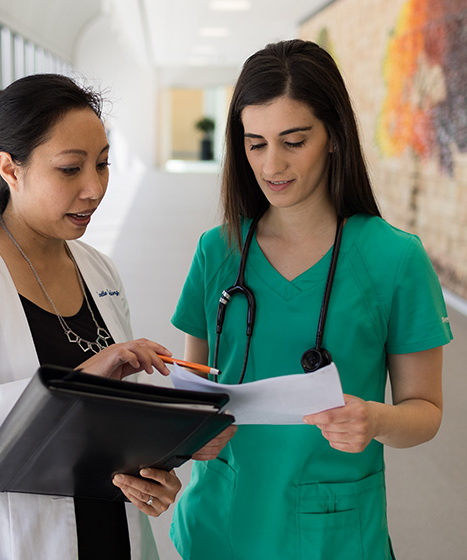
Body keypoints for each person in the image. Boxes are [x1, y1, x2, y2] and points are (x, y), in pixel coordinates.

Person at [169, 39, 453, 559]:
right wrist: (188, 430)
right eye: (255, 143)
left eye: (293, 141)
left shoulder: (393, 258)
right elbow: (195, 386)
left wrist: (376, 419)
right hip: (222, 520)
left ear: (334, 137)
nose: (271, 164)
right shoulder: (218, 251)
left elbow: (426, 412)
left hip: (331, 534)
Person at [0, 73, 182, 560]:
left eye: (103, 165)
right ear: (10, 169)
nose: (94, 189)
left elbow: (110, 424)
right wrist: (63, 387)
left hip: (113, 536)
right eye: (70, 169)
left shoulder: (97, 268)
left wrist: (153, 469)